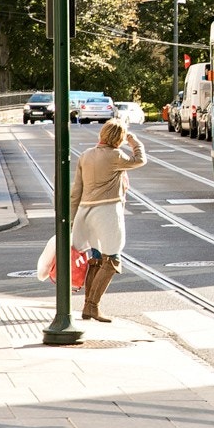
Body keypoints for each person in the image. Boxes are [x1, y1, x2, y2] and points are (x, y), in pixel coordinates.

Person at [68, 119, 147, 322]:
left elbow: (76, 191)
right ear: (118, 139)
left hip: (85, 213)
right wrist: (134, 141)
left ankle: (88, 307)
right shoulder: (116, 155)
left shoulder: (85, 155)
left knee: (95, 260)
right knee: (112, 260)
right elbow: (140, 160)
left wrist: (71, 217)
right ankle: (92, 306)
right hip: (107, 213)